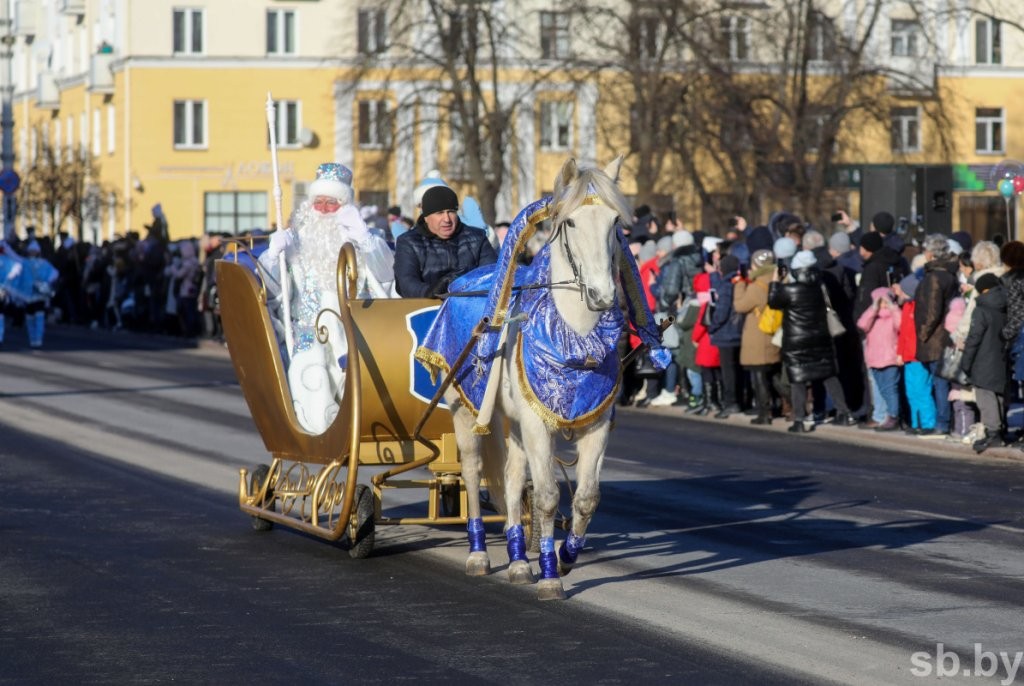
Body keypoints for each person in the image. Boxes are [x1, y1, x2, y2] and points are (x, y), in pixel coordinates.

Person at [258, 162, 396, 434]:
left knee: (369, 367)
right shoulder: (294, 243)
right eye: (317, 202)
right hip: (308, 331)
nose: (321, 209)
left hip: (358, 331)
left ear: (344, 205)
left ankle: (360, 428)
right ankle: (325, 433)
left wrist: (365, 240)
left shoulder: (365, 238)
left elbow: (386, 274)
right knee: (309, 365)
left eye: (330, 203)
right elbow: (272, 290)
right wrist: (273, 255)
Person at [768, 250, 858, 433]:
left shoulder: (789, 290)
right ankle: (844, 412)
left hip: (796, 340)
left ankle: (799, 419)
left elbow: (773, 302)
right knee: (829, 375)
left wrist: (775, 280)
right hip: (821, 336)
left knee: (798, 379)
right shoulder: (821, 286)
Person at [394, 185, 498, 298]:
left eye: (451, 212)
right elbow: (406, 282)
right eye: (440, 213)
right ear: (426, 217)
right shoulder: (408, 242)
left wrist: (465, 286)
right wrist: (430, 292)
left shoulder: (477, 238)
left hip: (469, 306)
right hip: (424, 309)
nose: (447, 219)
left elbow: (491, 275)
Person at [961, 273, 1008, 453]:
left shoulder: (982, 308)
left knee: (985, 395)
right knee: (998, 395)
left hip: (983, 359)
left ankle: (993, 433)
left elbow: (974, 338)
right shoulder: (1006, 304)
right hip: (1001, 357)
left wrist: (966, 362)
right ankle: (999, 431)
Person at [19, 241, 59, 348]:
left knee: (39, 316)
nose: (32, 252)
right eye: (31, 250)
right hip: (27, 295)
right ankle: (33, 338)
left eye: (34, 250)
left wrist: (46, 283)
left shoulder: (44, 263)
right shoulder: (25, 263)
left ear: (38, 251)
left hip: (39, 294)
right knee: (29, 317)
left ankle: (38, 338)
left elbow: (54, 273)